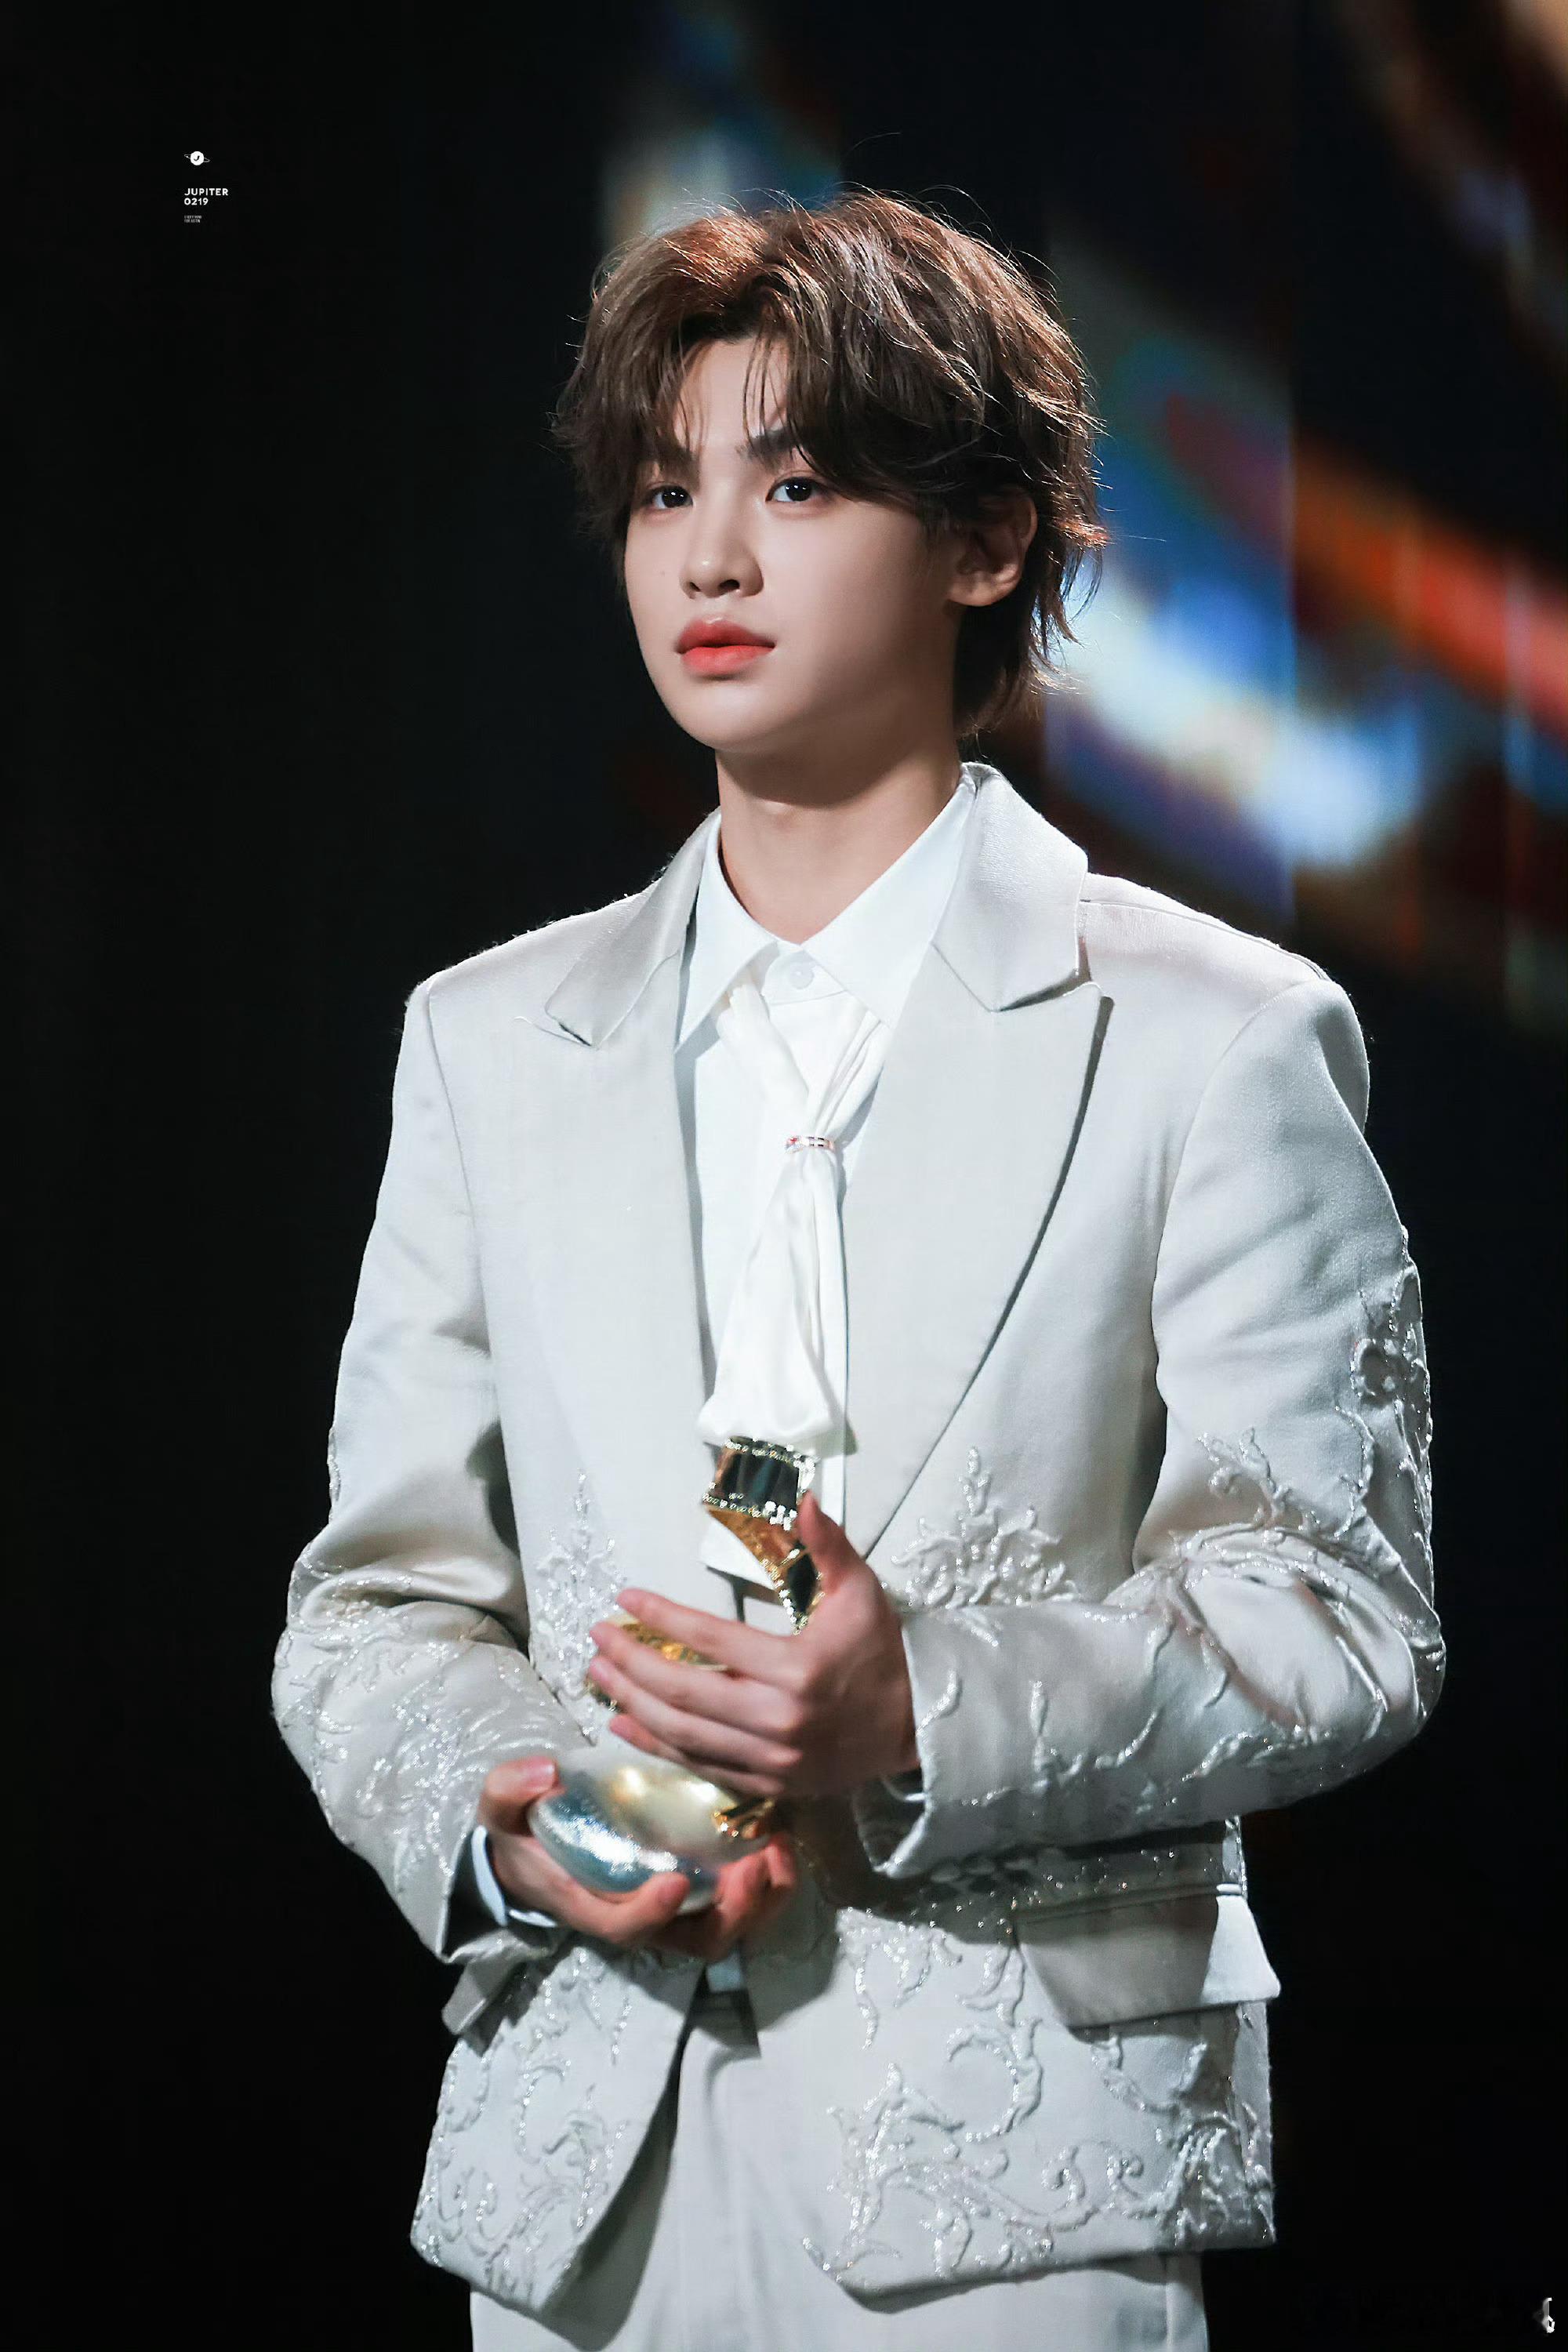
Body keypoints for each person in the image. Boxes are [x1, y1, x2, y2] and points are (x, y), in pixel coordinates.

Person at [273, 191, 1444, 2350]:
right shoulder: (488, 1042)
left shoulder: (1213, 1035)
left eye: (796, 485)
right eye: (664, 491)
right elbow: (377, 1602)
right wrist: (516, 1816)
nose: (709, 559)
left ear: (986, 538)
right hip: (584, 2157)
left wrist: (920, 1708)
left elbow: (1342, 1610)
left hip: (1021, 2169)